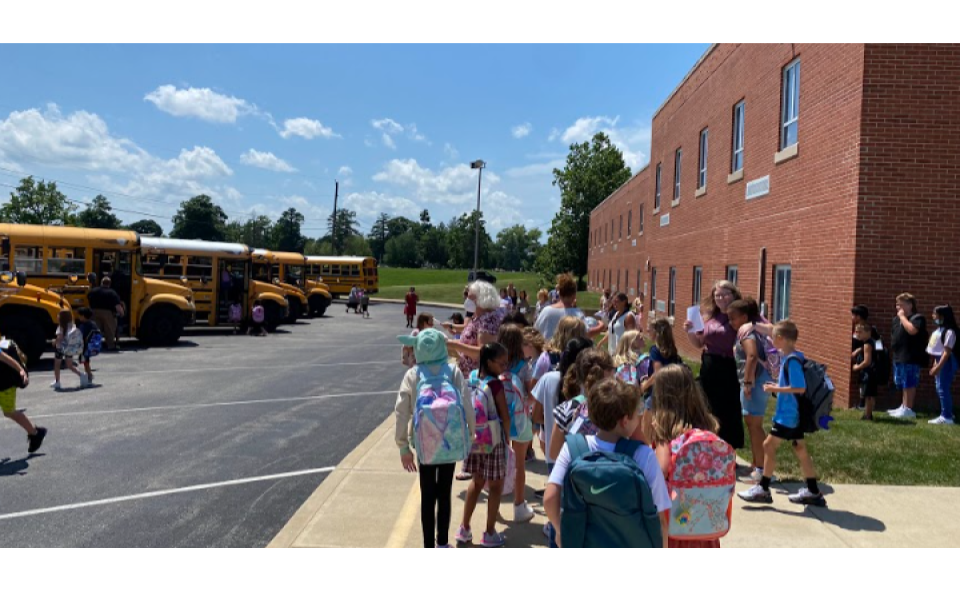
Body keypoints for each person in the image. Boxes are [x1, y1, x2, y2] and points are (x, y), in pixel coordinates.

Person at [544, 378, 671, 548]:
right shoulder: (643, 455)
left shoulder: (573, 448)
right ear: (625, 420)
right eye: (637, 413)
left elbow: (550, 498)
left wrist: (561, 532)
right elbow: (660, 518)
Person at [395, 328, 475, 548]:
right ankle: (442, 543)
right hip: (449, 441)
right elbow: (467, 403)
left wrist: (403, 447)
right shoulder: (452, 371)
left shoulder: (413, 374)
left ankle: (428, 546)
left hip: (424, 443)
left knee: (427, 494)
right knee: (444, 492)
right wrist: (469, 433)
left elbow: (401, 411)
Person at [738, 320, 826, 507]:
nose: (770, 340)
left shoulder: (792, 361)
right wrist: (776, 387)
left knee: (768, 446)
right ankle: (813, 491)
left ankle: (763, 489)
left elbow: (799, 388)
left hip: (788, 415)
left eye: (772, 337)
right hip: (793, 414)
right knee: (800, 449)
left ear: (780, 339)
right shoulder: (793, 356)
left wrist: (775, 388)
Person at [649, 363, 723, 547]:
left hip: (677, 526)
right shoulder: (708, 430)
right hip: (705, 525)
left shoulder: (664, 435)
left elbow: (661, 470)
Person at [446, 280, 503, 481]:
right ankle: (471, 463)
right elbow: (469, 335)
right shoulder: (479, 317)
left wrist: (455, 345)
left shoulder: (488, 320)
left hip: (479, 382)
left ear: (481, 298)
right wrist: (454, 334)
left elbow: (483, 352)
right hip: (469, 378)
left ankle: (473, 466)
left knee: (476, 421)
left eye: (470, 297)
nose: (467, 300)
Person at [457, 342, 511, 547]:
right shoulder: (495, 384)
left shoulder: (471, 377)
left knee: (477, 482)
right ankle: (489, 532)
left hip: (474, 438)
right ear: (490, 362)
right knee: (495, 485)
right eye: (502, 363)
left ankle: (464, 527)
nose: (505, 366)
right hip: (493, 440)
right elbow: (504, 415)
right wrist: (507, 438)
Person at [684, 280, 745, 449]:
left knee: (728, 410)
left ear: (734, 294)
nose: (721, 298)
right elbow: (698, 344)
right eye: (717, 295)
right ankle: (708, 449)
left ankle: (728, 452)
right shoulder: (709, 316)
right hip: (709, 366)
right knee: (707, 407)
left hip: (729, 367)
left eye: (725, 294)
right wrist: (689, 330)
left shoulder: (739, 315)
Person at [727, 298, 772, 480]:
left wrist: (747, 383)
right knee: (754, 425)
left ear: (744, 316)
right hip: (758, 381)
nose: (731, 322)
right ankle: (757, 464)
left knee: (754, 426)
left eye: (733, 318)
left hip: (754, 382)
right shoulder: (753, 329)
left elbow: (752, 356)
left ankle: (761, 469)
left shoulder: (746, 333)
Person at [548, 348, 618, 462]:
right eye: (613, 369)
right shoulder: (619, 407)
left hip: (577, 474)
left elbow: (554, 453)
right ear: (608, 372)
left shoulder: (566, 409)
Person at [497, 324, 535, 523]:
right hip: (519, 420)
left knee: (499, 463)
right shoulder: (525, 366)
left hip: (498, 419)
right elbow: (530, 395)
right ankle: (519, 506)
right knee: (519, 465)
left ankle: (494, 506)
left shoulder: (496, 364)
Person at [1, 342, 47, 453]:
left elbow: (7, 359)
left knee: (9, 411)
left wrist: (21, 371)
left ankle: (35, 433)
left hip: (5, 384)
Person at [889, 293, 928, 419]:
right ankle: (903, 406)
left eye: (901, 305)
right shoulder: (896, 320)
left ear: (910, 305)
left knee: (909, 383)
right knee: (901, 382)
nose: (898, 307)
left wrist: (902, 317)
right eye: (896, 305)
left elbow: (912, 330)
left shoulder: (917, 318)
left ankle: (909, 409)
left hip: (911, 356)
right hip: (898, 356)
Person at [927, 305, 958, 425]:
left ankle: (947, 416)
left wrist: (938, 366)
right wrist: (935, 363)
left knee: (943, 388)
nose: (933, 316)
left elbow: (946, 352)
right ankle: (947, 412)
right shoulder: (939, 329)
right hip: (939, 360)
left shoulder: (949, 331)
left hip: (945, 362)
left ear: (943, 316)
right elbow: (937, 350)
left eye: (936, 314)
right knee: (940, 387)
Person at [535, 273, 590, 340]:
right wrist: (600, 327)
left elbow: (535, 331)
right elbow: (587, 333)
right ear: (574, 294)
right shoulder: (577, 314)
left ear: (559, 293)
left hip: (548, 349)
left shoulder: (546, 311)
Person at [850, 305, 881, 409]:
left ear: (858, 316)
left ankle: (864, 405)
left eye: (853, 315)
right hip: (859, 360)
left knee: (866, 384)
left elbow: (878, 345)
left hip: (867, 361)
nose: (852, 317)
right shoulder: (855, 329)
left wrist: (861, 349)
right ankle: (861, 403)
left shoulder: (870, 330)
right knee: (861, 382)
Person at [51, 309, 87, 390]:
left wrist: (54, 342)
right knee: (70, 365)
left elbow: (59, 338)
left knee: (57, 365)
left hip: (60, 348)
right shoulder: (72, 326)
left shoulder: (60, 327)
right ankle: (81, 375)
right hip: (69, 348)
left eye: (58, 315)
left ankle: (57, 382)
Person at [87, 276, 124, 351]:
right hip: (108, 313)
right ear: (109, 284)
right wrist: (121, 313)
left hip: (94, 312)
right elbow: (117, 306)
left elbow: (88, 298)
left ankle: (94, 346)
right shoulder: (112, 293)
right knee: (109, 329)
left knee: (96, 330)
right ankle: (110, 345)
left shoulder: (93, 291)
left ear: (101, 283)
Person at [852, 324, 878, 421]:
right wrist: (859, 350)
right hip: (873, 372)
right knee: (869, 394)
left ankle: (868, 416)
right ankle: (868, 413)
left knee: (868, 396)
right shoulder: (871, 342)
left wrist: (857, 367)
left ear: (868, 332)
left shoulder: (867, 344)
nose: (857, 334)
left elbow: (867, 361)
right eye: (856, 332)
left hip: (869, 373)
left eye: (860, 332)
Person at [76, 307, 101, 387]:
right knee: (86, 362)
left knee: (85, 362)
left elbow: (80, 335)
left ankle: (89, 376)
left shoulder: (83, 325)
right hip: (90, 346)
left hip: (85, 347)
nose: (78, 317)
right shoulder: (92, 324)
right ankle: (89, 375)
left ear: (83, 316)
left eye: (79, 315)